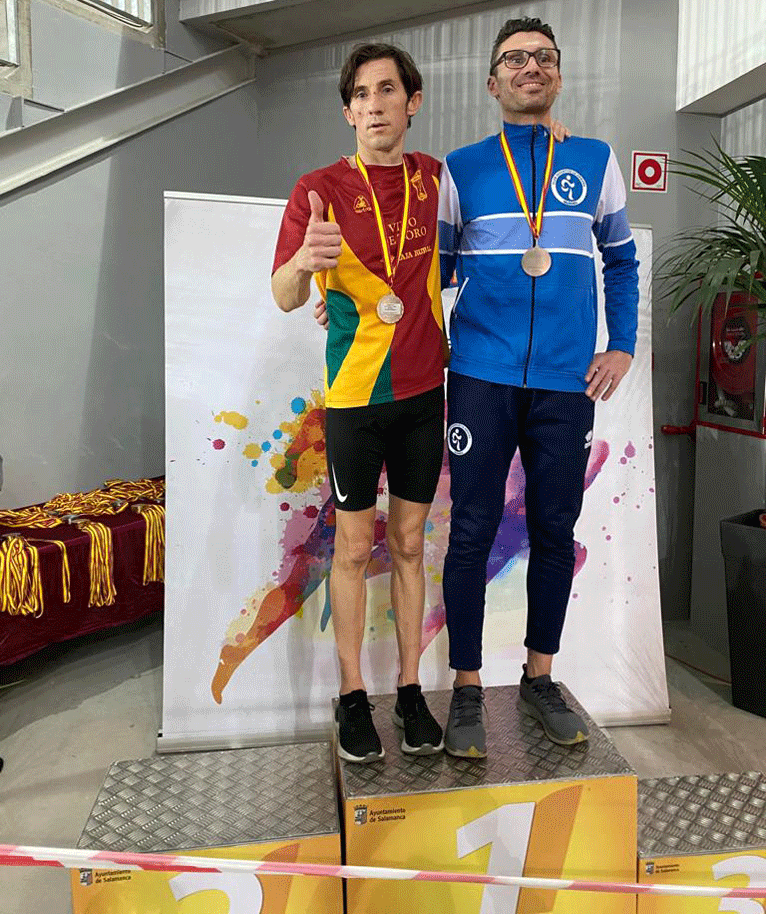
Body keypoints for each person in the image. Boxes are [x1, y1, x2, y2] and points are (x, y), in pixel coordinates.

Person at [438, 16, 639, 757]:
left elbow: (622, 260)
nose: (531, 67)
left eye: (544, 57)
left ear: (558, 74)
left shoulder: (594, 159)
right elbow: (435, 272)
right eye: (516, 59)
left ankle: (539, 677)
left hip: (563, 382)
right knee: (471, 531)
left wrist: (621, 345)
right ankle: (466, 687)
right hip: (480, 376)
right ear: (493, 82)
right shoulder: (461, 168)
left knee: (555, 529)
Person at [271, 43, 447, 763]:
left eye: (388, 90)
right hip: (354, 400)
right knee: (351, 548)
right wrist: (303, 263)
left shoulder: (438, 179)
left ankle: (409, 690)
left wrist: (548, 130)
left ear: (412, 101)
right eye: (362, 95)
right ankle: (351, 695)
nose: (375, 105)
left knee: (408, 545)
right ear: (348, 112)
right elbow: (284, 296)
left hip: (424, 394)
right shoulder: (317, 189)